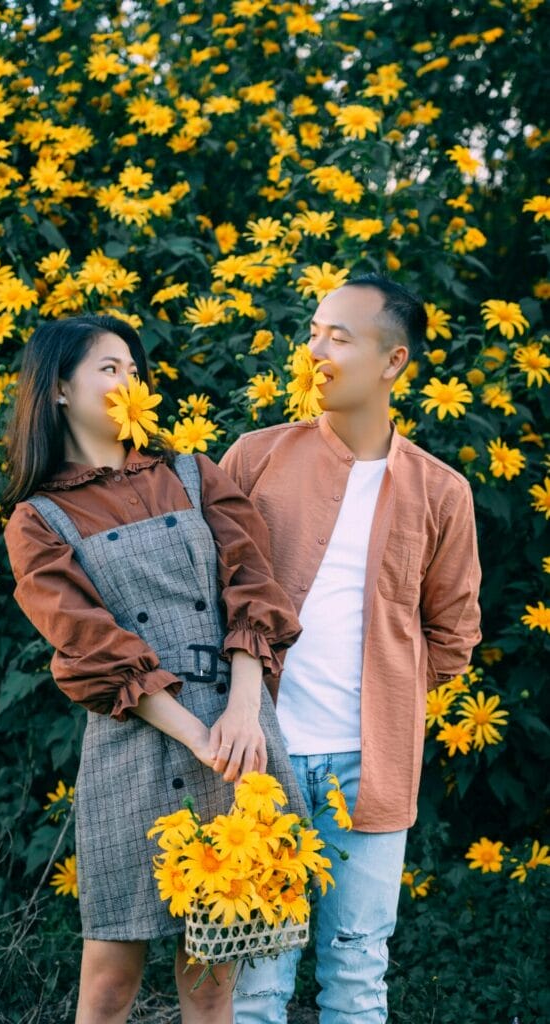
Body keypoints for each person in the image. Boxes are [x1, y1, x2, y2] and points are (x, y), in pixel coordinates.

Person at [2, 314, 306, 1024]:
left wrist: (238, 709)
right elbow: (88, 647)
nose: (127, 382)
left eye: (133, 371)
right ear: (56, 390)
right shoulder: (38, 519)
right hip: (134, 739)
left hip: (237, 735)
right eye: (108, 369)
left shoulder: (194, 474)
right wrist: (192, 732)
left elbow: (252, 588)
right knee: (109, 977)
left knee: (211, 977)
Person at [220, 274, 482, 1024]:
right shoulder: (255, 457)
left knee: (358, 976)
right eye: (312, 332)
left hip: (372, 769)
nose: (315, 349)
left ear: (393, 362)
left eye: (338, 336)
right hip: (259, 761)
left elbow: (453, 633)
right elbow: (214, 598)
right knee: (256, 984)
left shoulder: (442, 492)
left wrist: (396, 695)